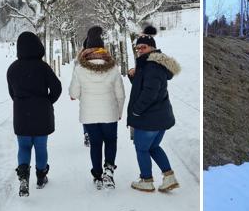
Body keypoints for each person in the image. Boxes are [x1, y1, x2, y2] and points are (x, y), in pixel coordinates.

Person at [7, 31, 62, 197]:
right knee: (40, 147)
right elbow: (57, 88)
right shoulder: (43, 67)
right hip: (41, 114)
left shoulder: (13, 68)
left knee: (23, 147)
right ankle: (41, 176)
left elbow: (12, 93)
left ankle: (23, 177)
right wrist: (47, 101)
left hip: (21, 114)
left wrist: (22, 102)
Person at [69, 27, 125, 189]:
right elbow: (120, 95)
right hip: (110, 114)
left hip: (89, 115)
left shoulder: (80, 69)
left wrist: (84, 95)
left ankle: (97, 175)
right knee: (110, 141)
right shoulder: (113, 68)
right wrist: (118, 112)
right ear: (103, 49)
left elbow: (74, 92)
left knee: (95, 144)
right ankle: (109, 169)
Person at [127, 25, 180, 192]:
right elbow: (143, 87)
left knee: (142, 148)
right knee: (153, 147)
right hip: (160, 117)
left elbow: (150, 93)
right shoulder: (150, 64)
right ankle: (169, 177)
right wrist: (133, 76)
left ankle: (146, 180)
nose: (140, 50)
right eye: (137, 48)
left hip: (149, 118)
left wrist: (136, 110)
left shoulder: (152, 65)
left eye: (143, 47)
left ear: (152, 48)